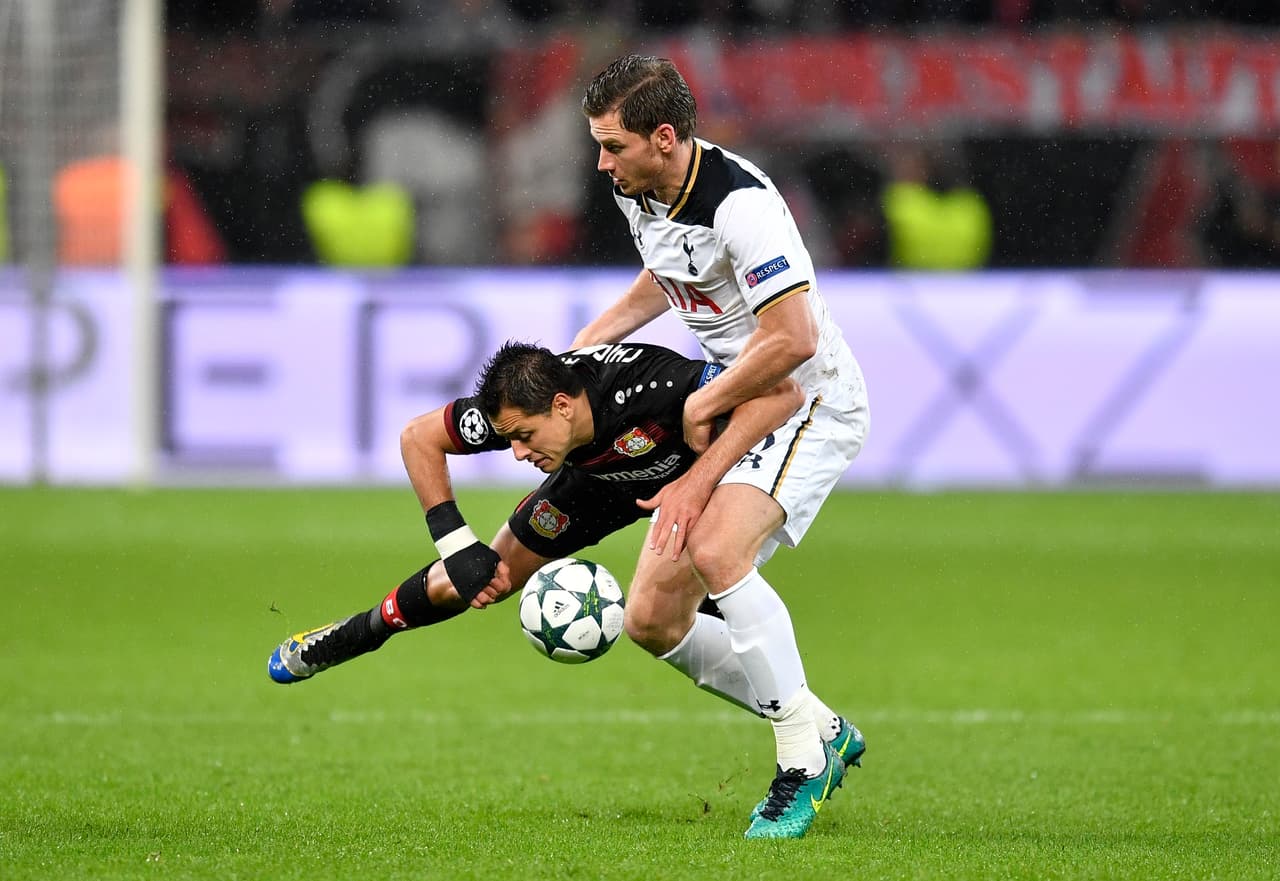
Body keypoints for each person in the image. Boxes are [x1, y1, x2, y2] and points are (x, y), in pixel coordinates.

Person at [572, 54, 872, 838]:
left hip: (807, 397)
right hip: (737, 394)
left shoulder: (743, 207)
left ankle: (799, 761)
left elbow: (795, 338)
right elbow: (664, 275)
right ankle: (822, 727)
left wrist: (705, 395)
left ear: (664, 138)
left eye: (613, 146)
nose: (601, 163)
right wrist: (588, 345)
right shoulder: (639, 186)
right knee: (650, 619)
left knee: (715, 546)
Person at [267, 340, 805, 704]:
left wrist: (698, 481)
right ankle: (350, 636)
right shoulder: (516, 405)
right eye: (510, 439)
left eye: (524, 437)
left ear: (563, 407)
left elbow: (779, 394)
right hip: (596, 483)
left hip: (687, 483)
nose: (517, 453)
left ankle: (801, 722)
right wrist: (457, 544)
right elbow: (418, 437)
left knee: (682, 609)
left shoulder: (654, 387)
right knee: (481, 576)